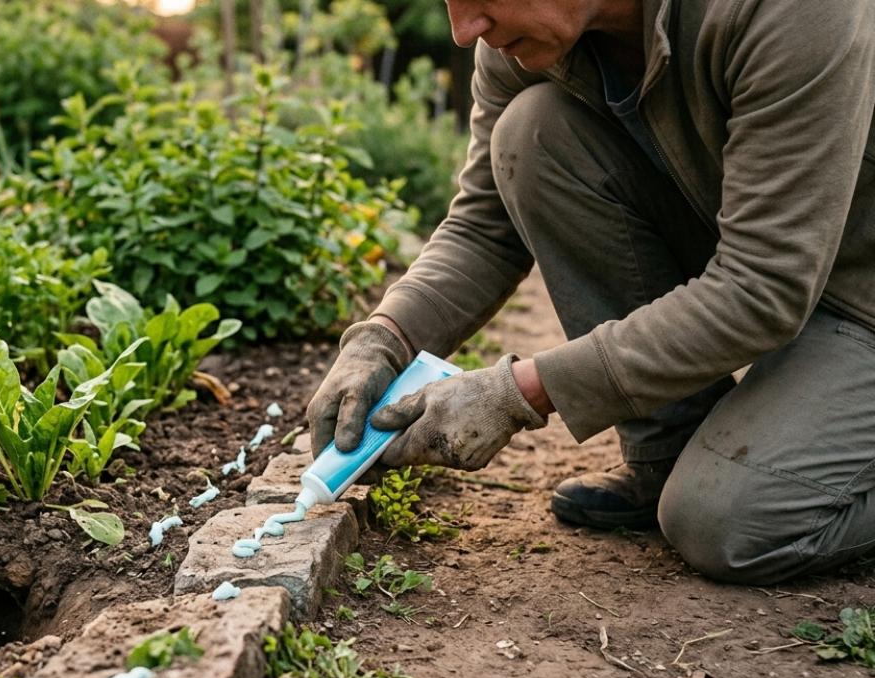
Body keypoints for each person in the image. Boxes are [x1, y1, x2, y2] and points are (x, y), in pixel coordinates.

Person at [307, 0, 875, 585]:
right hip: (770, 256)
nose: (463, 30)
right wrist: (384, 336)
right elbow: (484, 224)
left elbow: (763, 286)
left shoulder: (792, 10)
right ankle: (668, 454)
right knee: (532, 133)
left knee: (729, 522)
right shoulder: (523, 41)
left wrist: (518, 392)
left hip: (861, 293)